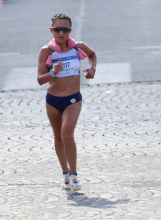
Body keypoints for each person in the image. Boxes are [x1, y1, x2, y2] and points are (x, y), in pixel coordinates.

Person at [37, 14, 97, 191]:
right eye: (57, 29)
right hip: (53, 101)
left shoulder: (78, 47)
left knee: (66, 136)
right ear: (51, 31)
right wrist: (52, 73)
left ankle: (75, 175)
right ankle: (65, 175)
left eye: (65, 29)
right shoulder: (46, 51)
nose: (61, 32)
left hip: (72, 99)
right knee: (58, 138)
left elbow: (93, 55)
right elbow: (40, 80)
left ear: (70, 31)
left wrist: (92, 69)